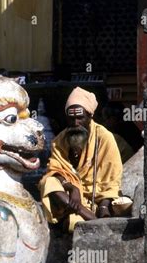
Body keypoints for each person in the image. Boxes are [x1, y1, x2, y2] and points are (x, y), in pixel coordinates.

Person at [39, 87, 124, 233]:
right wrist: (73, 188)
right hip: (69, 198)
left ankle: (85, 214)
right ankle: (86, 215)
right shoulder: (59, 140)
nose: (75, 123)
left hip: (97, 201)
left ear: (90, 116)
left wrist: (103, 206)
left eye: (80, 117)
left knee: (72, 224)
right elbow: (54, 171)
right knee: (48, 182)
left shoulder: (104, 138)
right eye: (71, 118)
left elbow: (111, 181)